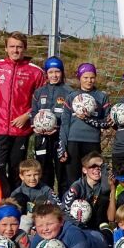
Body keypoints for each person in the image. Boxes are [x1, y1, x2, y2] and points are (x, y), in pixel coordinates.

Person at [0, 32, 46, 192]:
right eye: (12, 46)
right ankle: (1, 205)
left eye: (19, 47)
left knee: (17, 171)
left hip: (21, 131)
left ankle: (16, 206)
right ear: (6, 48)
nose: (15, 50)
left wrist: (28, 115)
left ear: (24, 48)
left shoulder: (35, 72)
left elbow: (44, 99)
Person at [59, 63, 110, 186]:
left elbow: (106, 123)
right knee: (73, 177)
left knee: (93, 177)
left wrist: (89, 119)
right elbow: (65, 123)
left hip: (92, 142)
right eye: (85, 77)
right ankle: (74, 203)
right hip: (73, 141)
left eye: (92, 77)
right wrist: (63, 146)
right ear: (79, 78)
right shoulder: (72, 97)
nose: (89, 80)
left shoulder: (102, 97)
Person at [30, 56, 73, 193]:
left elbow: (72, 117)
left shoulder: (69, 92)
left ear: (62, 72)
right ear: (46, 74)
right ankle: (46, 200)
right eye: (51, 72)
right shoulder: (39, 92)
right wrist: (35, 126)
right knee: (43, 170)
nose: (54, 75)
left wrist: (59, 128)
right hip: (42, 138)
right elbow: (34, 113)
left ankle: (63, 202)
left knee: (62, 173)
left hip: (60, 138)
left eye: (57, 72)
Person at [29, 204, 109, 248]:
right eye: (40, 225)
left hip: (99, 240)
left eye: (50, 224)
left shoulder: (73, 234)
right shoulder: (37, 240)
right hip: (84, 234)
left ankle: (106, 229)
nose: (45, 229)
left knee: (106, 235)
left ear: (61, 222)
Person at [61, 151, 113, 230]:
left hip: (98, 223)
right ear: (85, 170)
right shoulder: (77, 186)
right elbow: (64, 209)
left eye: (101, 166)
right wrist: (76, 225)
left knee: (104, 197)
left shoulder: (106, 184)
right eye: (93, 166)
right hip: (77, 224)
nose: (97, 169)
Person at [11, 159, 61, 232]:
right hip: (23, 220)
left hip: (41, 218)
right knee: (18, 198)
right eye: (29, 175)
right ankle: (22, 229)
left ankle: (37, 227)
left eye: (36, 175)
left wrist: (50, 204)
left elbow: (57, 203)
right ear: (21, 176)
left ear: (40, 174)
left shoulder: (46, 189)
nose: (32, 178)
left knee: (42, 199)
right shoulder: (17, 192)